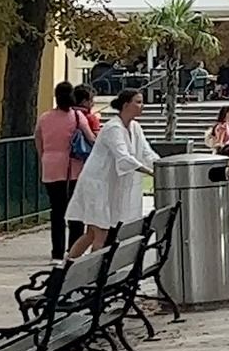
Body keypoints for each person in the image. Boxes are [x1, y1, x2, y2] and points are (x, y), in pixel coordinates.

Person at [69, 83, 155, 248]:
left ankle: (66, 268)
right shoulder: (112, 128)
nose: (141, 106)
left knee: (91, 234)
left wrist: (161, 166)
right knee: (100, 233)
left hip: (108, 186)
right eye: (137, 102)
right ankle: (94, 271)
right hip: (97, 185)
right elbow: (123, 157)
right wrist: (150, 172)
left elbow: (146, 153)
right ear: (125, 105)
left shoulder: (135, 127)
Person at [35, 77, 84, 261]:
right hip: (74, 168)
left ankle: (56, 253)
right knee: (76, 211)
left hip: (51, 167)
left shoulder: (45, 118)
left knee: (57, 211)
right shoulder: (77, 117)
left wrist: (44, 156)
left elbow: (38, 138)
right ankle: (74, 251)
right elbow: (89, 137)